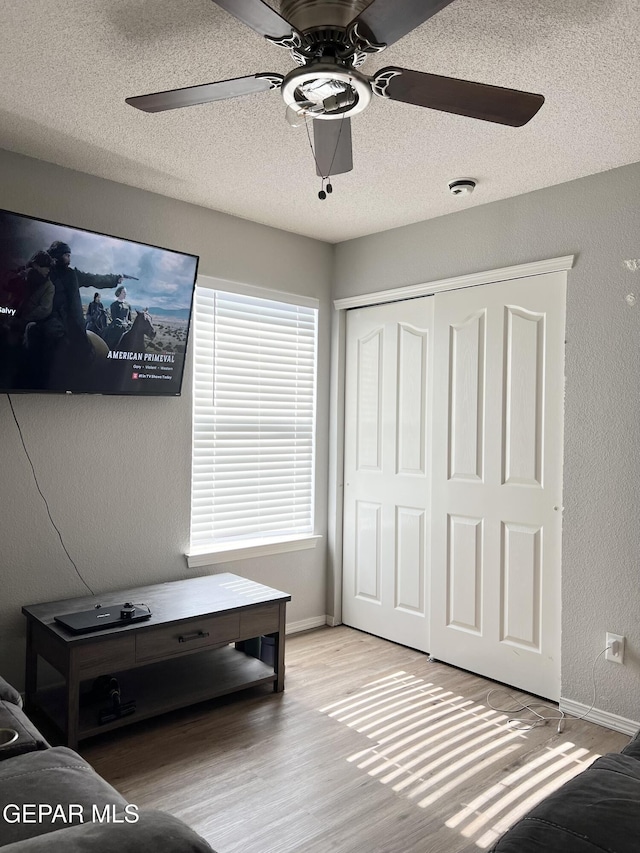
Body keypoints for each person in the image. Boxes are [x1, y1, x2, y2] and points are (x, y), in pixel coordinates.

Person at [47, 240, 122, 357]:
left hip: (63, 321)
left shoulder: (69, 274)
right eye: (66, 255)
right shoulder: (49, 273)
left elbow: (94, 279)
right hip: (57, 321)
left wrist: (114, 279)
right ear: (58, 256)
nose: (69, 259)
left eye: (69, 255)